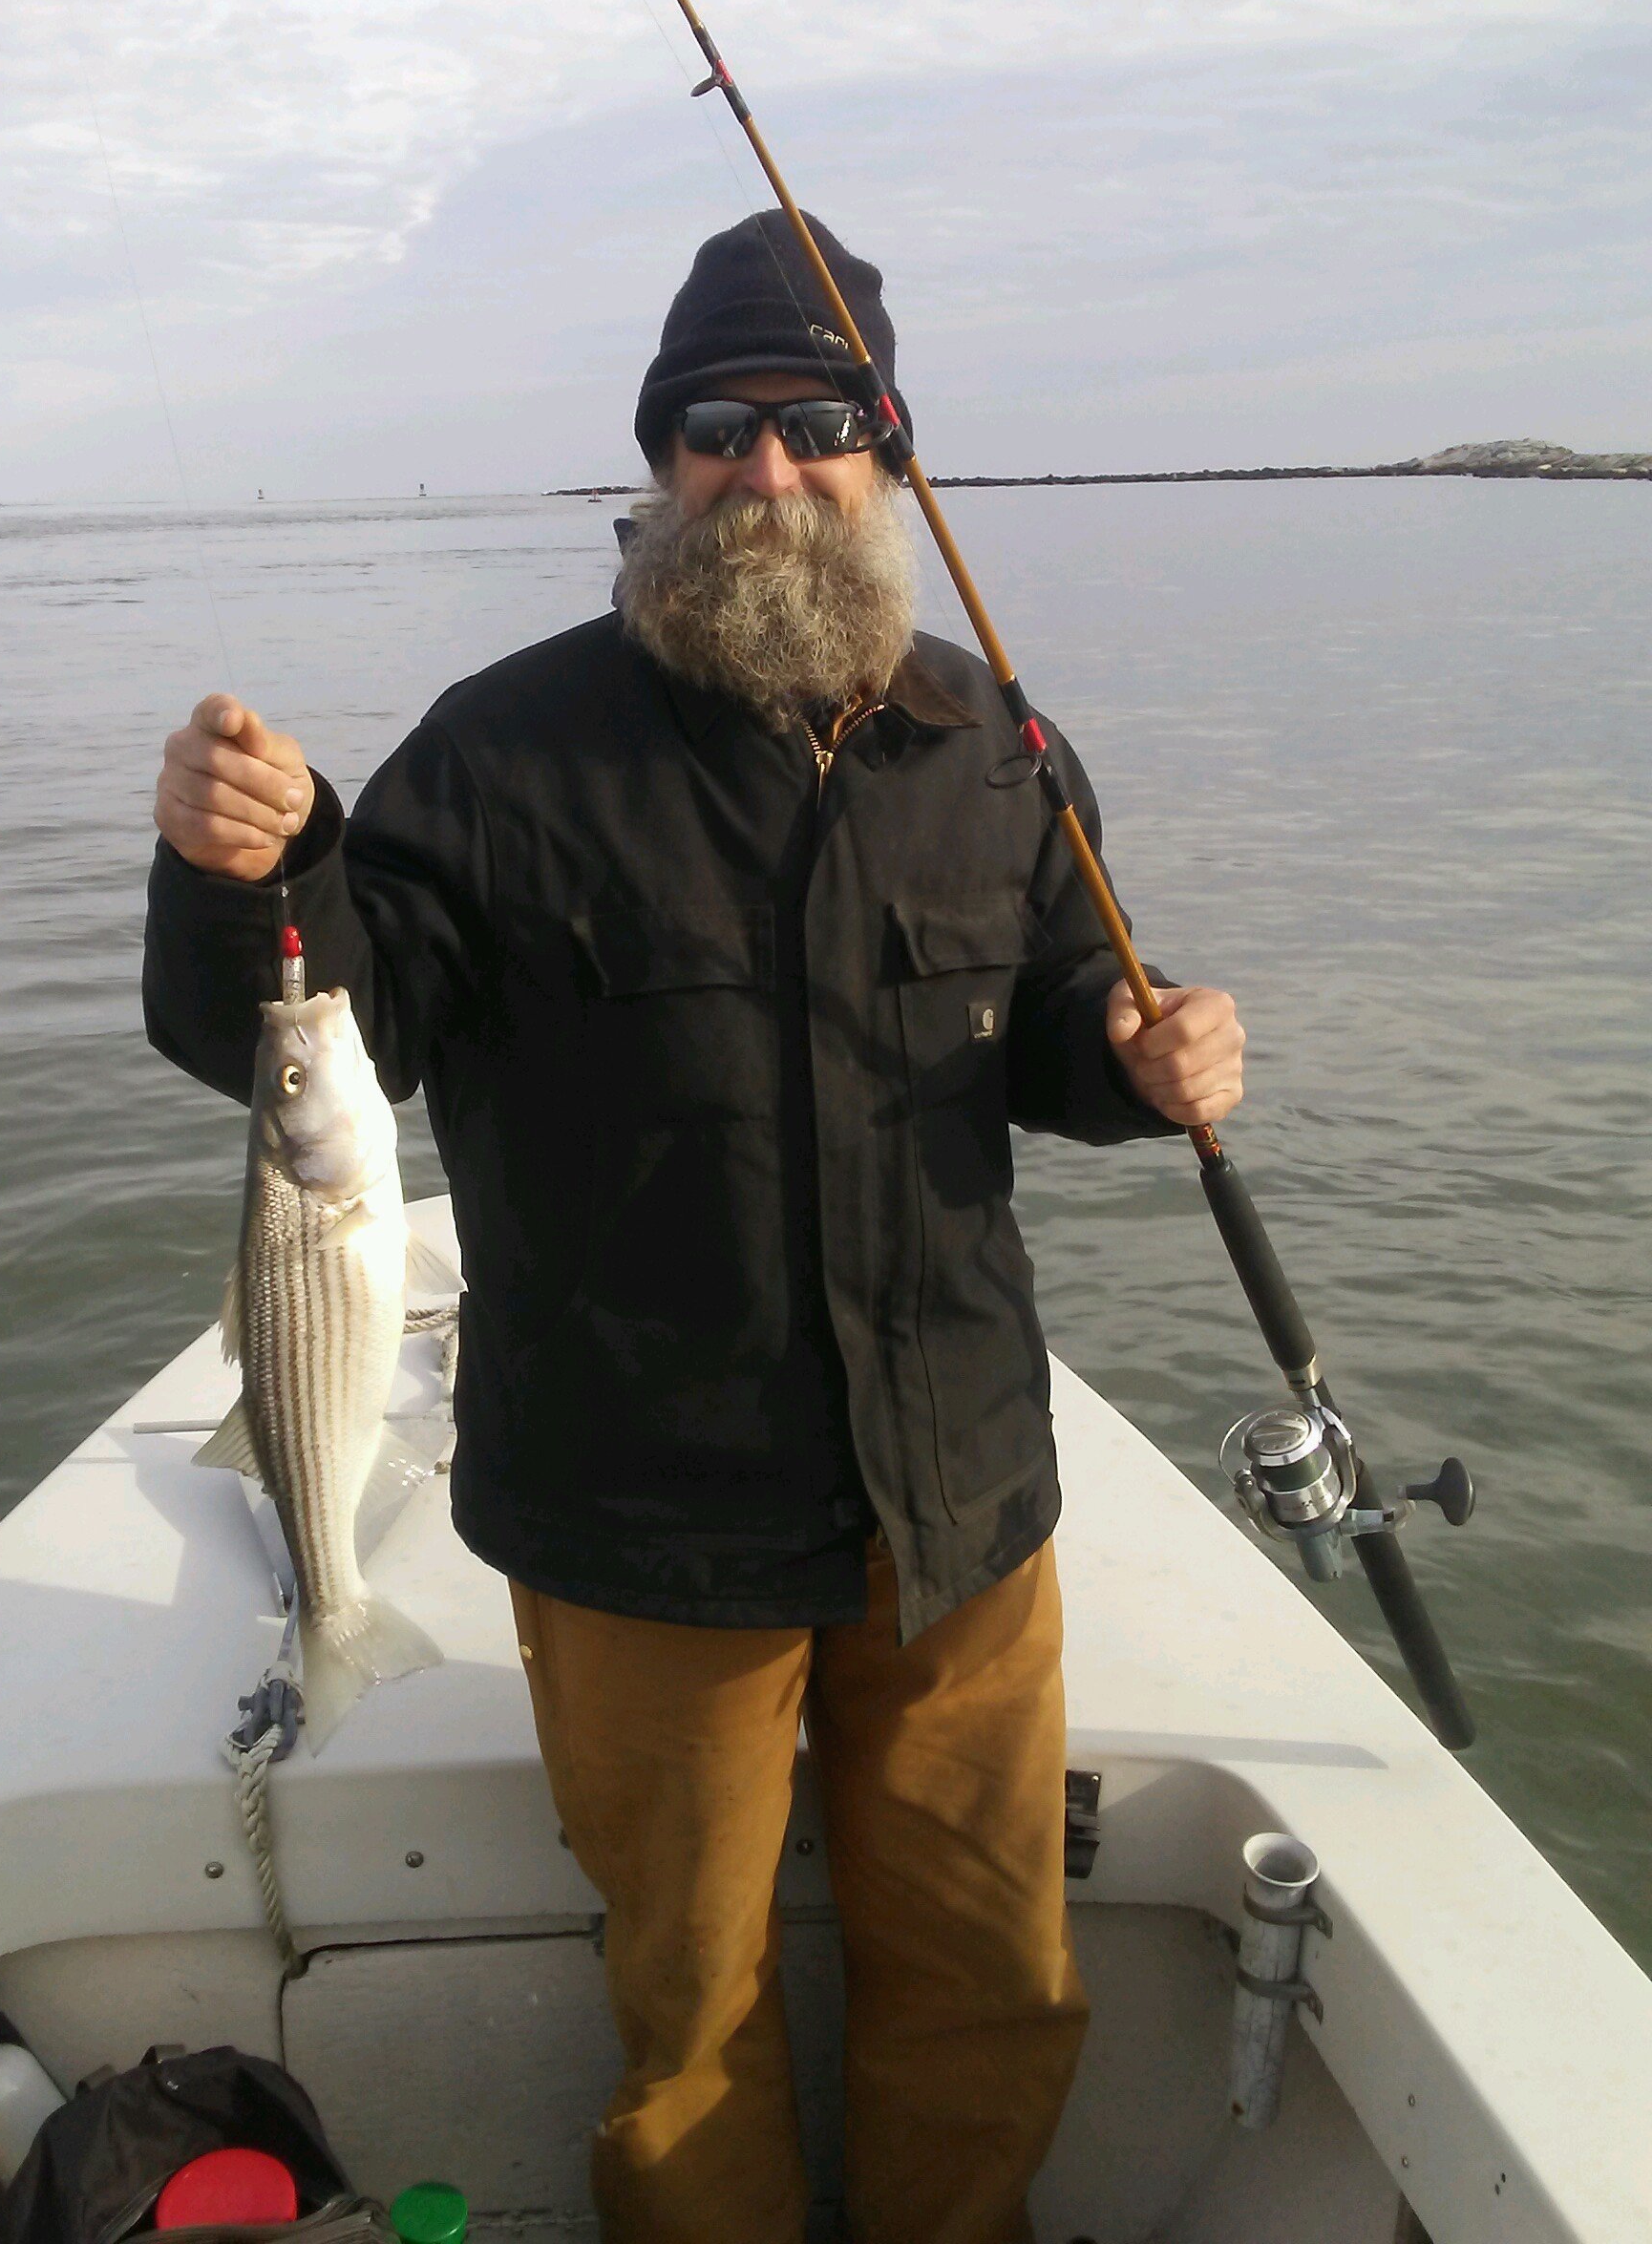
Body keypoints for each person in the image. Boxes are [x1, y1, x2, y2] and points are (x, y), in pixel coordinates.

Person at [144, 211, 1244, 2244]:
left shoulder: (996, 748)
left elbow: (1066, 1015)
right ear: (660, 464)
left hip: (957, 1514)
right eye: (718, 427)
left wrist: (1143, 1049)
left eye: (819, 424)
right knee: (693, 2021)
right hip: (643, 1529)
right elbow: (312, 1036)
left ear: (887, 456)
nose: (767, 468)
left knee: (996, 1984)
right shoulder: (501, 752)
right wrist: (249, 877)